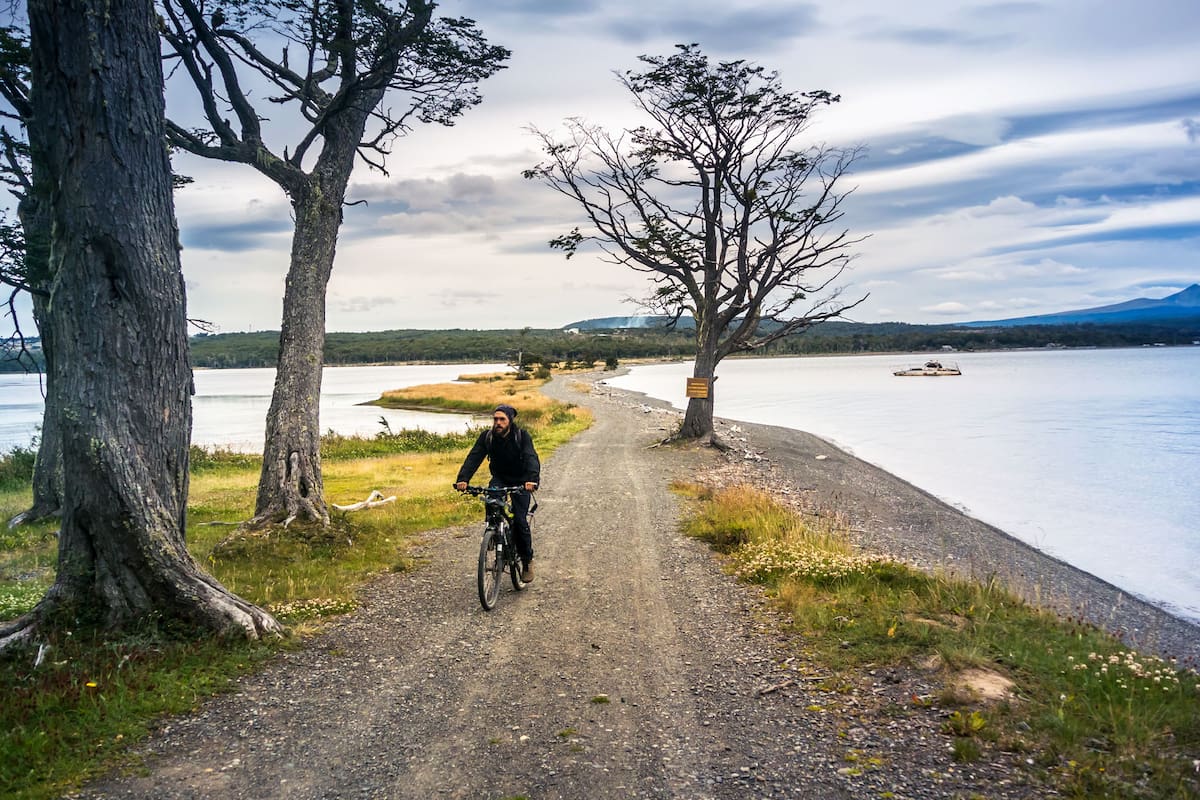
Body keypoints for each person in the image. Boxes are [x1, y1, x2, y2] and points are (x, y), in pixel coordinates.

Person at [455, 404, 541, 582]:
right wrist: (463, 479)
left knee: (519, 520)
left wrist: (532, 480)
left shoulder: (521, 436)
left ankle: (526, 560)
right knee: (491, 501)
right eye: (495, 419)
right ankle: (493, 532)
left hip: (522, 481)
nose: (498, 423)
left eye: (502, 419)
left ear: (510, 420)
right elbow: (474, 457)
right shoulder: (488, 437)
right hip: (500, 478)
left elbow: (531, 457)